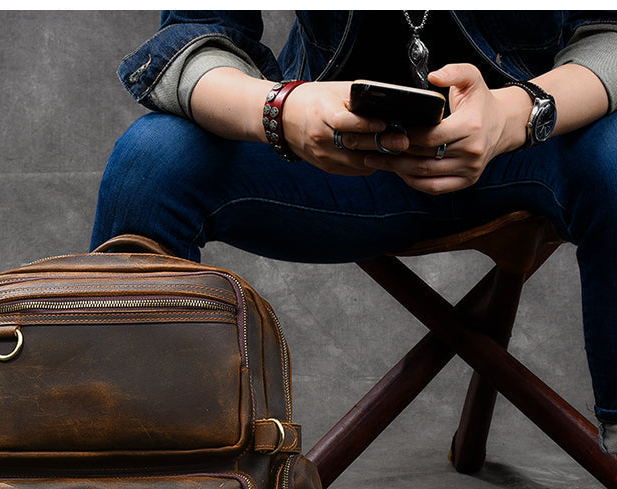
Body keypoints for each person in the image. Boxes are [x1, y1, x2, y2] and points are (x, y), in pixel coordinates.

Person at [91, 11, 617, 450]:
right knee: (151, 162)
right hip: (332, 157)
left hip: (532, 142)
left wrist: (515, 114)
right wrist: (281, 110)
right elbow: (199, 30)